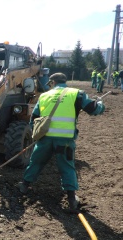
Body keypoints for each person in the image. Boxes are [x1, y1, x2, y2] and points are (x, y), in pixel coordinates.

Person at [17, 73, 105, 213]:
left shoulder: (44, 96)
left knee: (36, 162)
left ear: (52, 82)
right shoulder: (77, 94)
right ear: (64, 82)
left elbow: (34, 118)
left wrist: (37, 135)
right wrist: (100, 103)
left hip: (45, 139)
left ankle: (24, 187)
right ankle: (71, 200)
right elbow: (94, 109)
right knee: (67, 167)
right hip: (65, 140)